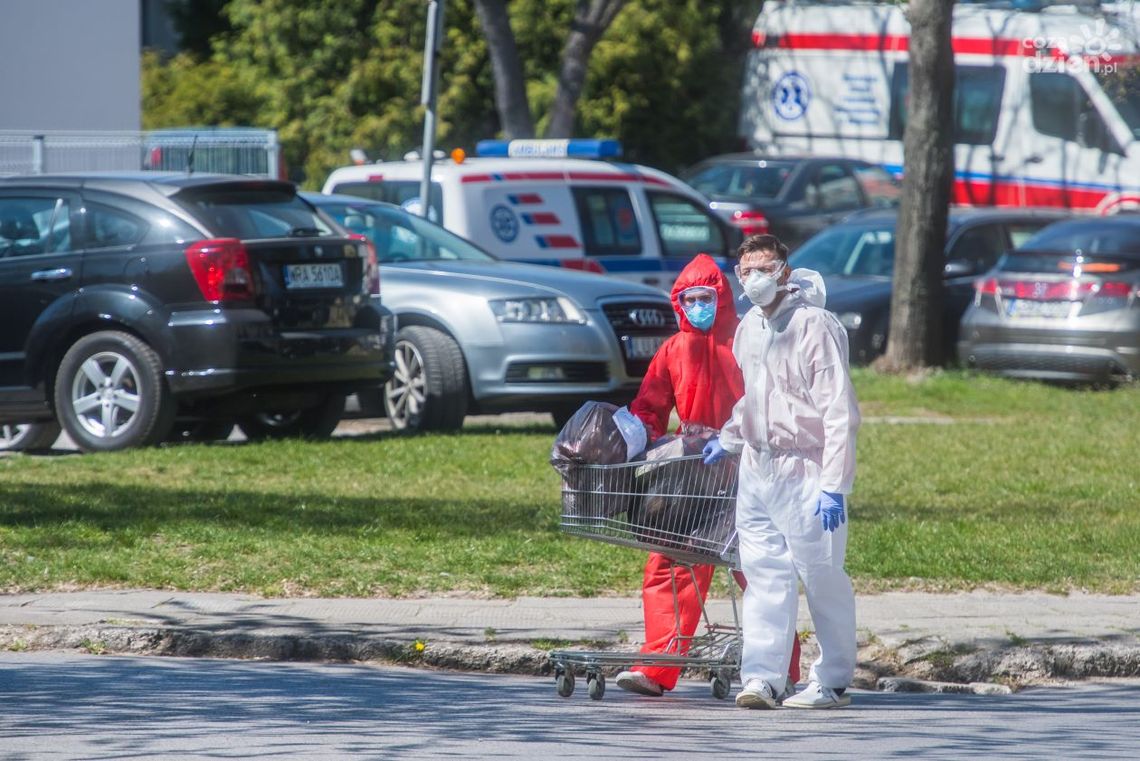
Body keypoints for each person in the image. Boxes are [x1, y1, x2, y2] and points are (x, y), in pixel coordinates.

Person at [614, 253, 801, 698]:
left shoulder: (748, 338)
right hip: (692, 476)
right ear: (678, 303)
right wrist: (628, 433)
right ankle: (657, 667)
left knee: (758, 571)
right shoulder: (674, 350)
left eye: (706, 297)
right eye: (689, 299)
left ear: (721, 299)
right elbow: (651, 406)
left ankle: (783, 670)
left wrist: (739, 438)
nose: (699, 306)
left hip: (748, 468)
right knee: (669, 565)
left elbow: (771, 397)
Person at [703, 233, 860, 710]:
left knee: (821, 575)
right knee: (764, 573)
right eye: (746, 270)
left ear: (785, 273)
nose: (754, 279)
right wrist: (731, 436)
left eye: (764, 269)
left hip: (806, 468)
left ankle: (832, 680)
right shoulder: (748, 327)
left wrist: (833, 485)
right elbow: (756, 397)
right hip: (758, 466)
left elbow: (838, 412)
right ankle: (763, 678)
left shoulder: (815, 326)